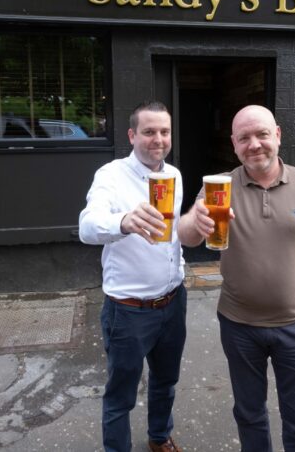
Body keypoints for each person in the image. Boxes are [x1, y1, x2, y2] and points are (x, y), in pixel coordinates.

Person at [178, 105, 295, 452]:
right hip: (239, 327)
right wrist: (196, 218)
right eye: (244, 138)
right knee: (249, 415)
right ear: (234, 144)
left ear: (278, 135)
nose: (254, 144)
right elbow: (184, 236)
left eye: (262, 134)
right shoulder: (219, 188)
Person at [79, 101, 187, 452]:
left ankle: (159, 437)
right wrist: (123, 222)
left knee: (166, 381)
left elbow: (172, 239)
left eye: (164, 131)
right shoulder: (110, 175)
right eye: (149, 131)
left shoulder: (174, 175)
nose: (158, 139)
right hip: (128, 310)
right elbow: (86, 226)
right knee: (120, 395)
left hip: (172, 301)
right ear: (132, 135)